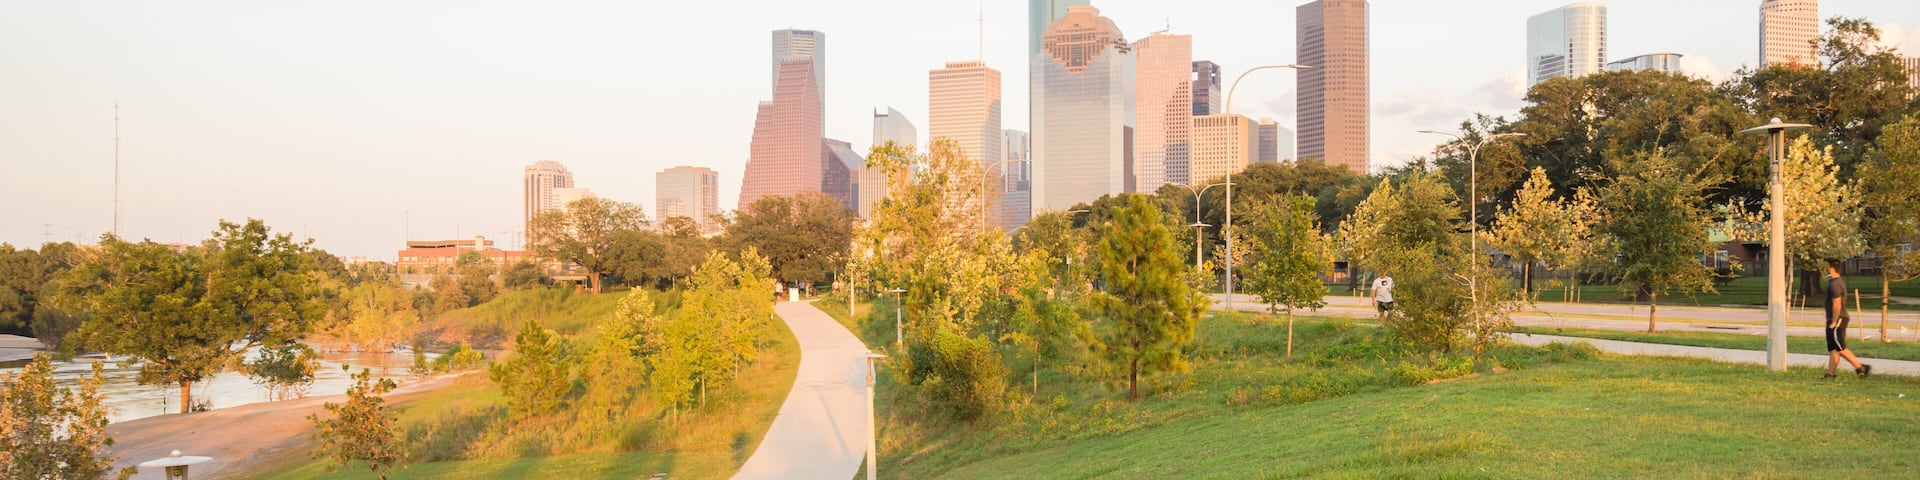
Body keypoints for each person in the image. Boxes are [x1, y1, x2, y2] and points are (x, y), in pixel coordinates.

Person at [1824, 259, 1870, 379]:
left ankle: (1861, 367)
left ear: (1831, 269)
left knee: (1840, 347)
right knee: (1833, 348)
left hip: (1838, 319)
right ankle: (1831, 374)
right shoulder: (1835, 282)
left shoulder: (1835, 284)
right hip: (1833, 318)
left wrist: (1834, 321)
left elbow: (1837, 304)